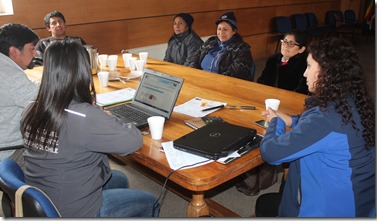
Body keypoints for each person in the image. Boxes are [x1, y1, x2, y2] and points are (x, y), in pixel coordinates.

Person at [20, 40, 159, 217]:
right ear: (82, 72)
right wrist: (107, 116)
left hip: (43, 194)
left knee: (119, 178)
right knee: (150, 202)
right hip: (72, 211)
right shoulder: (84, 117)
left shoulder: (31, 107)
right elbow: (134, 140)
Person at [256, 37, 375, 217]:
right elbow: (323, 130)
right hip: (362, 204)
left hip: (327, 211)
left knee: (264, 204)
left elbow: (271, 153)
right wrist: (291, 120)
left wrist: (276, 122)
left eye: (310, 66)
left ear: (327, 73)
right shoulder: (354, 103)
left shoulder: (325, 119)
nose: (304, 74)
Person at [0, 23, 40, 217]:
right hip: (8, 150)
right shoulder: (9, 76)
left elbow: (29, 88)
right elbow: (44, 98)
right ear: (14, 51)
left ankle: (12, 202)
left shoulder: (5, 67)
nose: (35, 54)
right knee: (58, 160)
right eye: (31, 49)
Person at [186, 11, 253, 80]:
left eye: (225, 29)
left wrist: (211, 81)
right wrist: (194, 74)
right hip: (201, 79)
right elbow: (194, 58)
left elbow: (235, 74)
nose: (221, 32)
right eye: (219, 29)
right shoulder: (210, 41)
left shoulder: (242, 49)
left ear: (234, 31)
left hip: (223, 85)